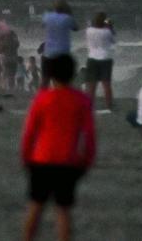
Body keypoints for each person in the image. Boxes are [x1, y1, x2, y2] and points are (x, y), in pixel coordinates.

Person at [21, 54, 96, 241]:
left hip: (41, 159)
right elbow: (89, 135)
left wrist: (25, 157)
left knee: (36, 207)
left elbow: (30, 132)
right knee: (63, 211)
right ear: (73, 74)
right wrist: (86, 160)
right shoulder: (82, 100)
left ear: (51, 75)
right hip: (68, 162)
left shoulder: (42, 99)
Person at [41, 0, 77, 88]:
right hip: (63, 54)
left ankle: (40, 99)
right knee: (62, 80)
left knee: (45, 79)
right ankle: (60, 98)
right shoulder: (67, 18)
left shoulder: (47, 16)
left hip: (48, 52)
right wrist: (70, 13)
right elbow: (76, 28)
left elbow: (43, 25)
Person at [83, 12, 115, 111]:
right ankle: (109, 105)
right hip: (105, 58)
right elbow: (113, 41)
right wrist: (109, 26)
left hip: (92, 57)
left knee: (91, 85)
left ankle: (89, 106)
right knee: (106, 84)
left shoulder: (89, 30)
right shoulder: (107, 32)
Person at [1, 22, 21, 93]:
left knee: (6, 73)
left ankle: (6, 87)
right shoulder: (14, 42)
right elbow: (18, 44)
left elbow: (0, 51)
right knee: (12, 74)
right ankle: (11, 88)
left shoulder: (4, 41)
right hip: (14, 59)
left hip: (6, 59)